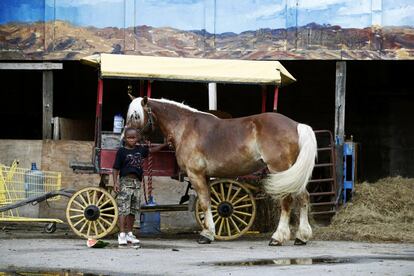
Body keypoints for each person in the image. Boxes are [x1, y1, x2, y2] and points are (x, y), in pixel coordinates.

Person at [112, 127, 168, 247]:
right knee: (123, 209)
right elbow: (115, 168)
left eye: (134, 138)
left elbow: (152, 150)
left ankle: (130, 234)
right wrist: (115, 182)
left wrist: (164, 145)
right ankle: (122, 234)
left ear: (137, 138)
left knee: (133, 210)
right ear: (125, 139)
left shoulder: (140, 150)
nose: (131, 140)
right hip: (125, 182)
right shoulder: (121, 151)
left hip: (137, 183)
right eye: (129, 138)